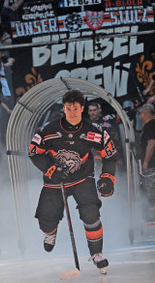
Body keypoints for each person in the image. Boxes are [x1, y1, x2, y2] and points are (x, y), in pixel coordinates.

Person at [28, 89, 117, 272]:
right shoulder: (49, 129)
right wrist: (51, 169)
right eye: (68, 108)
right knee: (46, 219)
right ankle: (50, 232)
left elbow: (110, 155)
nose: (72, 112)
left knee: (91, 213)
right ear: (64, 109)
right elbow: (33, 152)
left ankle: (97, 253)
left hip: (82, 178)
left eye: (76, 108)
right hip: (54, 181)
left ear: (82, 108)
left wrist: (107, 178)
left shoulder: (94, 131)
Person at [138, 103, 155, 222]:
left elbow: (151, 144)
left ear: (145, 113)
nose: (139, 116)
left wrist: (146, 161)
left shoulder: (150, 125)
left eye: (140, 113)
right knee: (153, 187)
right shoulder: (153, 125)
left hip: (153, 162)